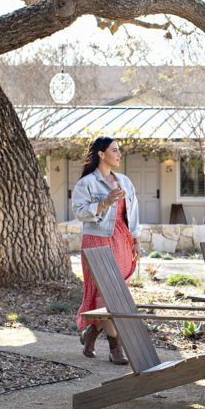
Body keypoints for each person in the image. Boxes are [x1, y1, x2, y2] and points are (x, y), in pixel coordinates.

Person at [71, 137, 141, 364]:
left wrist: (136, 240)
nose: (119, 154)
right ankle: (115, 347)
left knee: (116, 294)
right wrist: (105, 203)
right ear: (101, 154)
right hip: (97, 241)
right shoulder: (87, 183)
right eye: (115, 150)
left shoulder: (124, 181)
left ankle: (91, 332)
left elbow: (133, 212)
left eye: (119, 151)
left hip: (122, 241)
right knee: (105, 294)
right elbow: (79, 212)